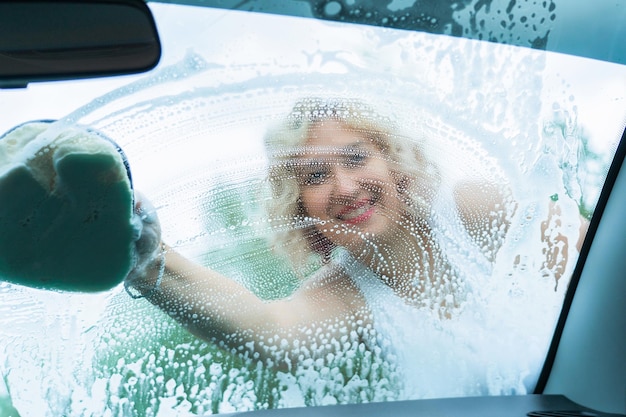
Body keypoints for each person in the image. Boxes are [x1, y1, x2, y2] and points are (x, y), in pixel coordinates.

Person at [125, 97, 587, 397]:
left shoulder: (471, 210)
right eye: (316, 176)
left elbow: (598, 261)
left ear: (393, 161)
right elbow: (267, 331)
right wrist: (146, 260)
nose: (345, 187)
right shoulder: (343, 293)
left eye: (356, 157)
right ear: (300, 206)